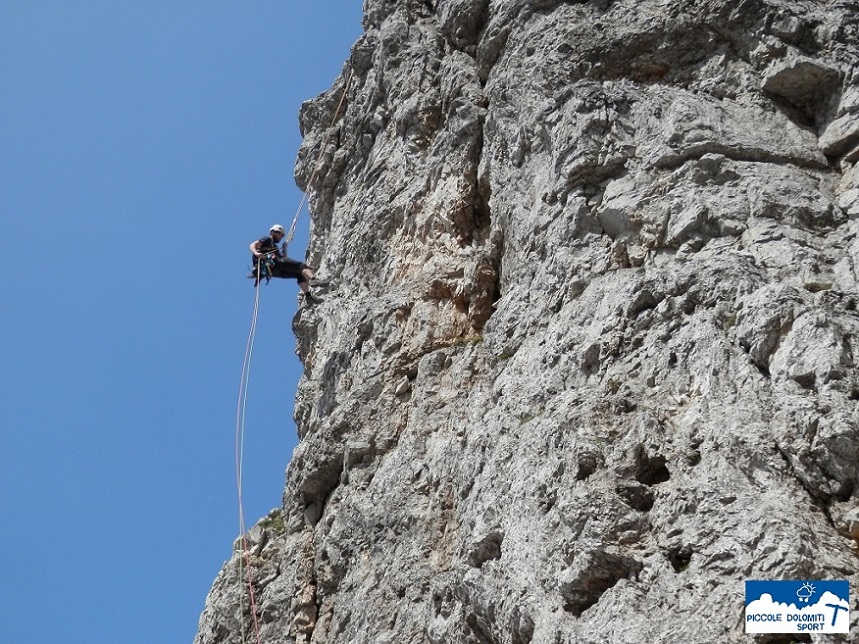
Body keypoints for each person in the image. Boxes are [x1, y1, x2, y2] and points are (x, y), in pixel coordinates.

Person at [249, 224, 319, 302]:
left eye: (282, 236)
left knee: (299, 274)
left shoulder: (275, 248)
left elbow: (284, 259)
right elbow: (252, 245)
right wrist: (256, 253)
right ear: (273, 232)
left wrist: (285, 249)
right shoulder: (267, 239)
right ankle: (313, 280)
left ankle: (308, 297)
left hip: (274, 270)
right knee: (301, 266)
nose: (280, 237)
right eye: (280, 234)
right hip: (273, 263)